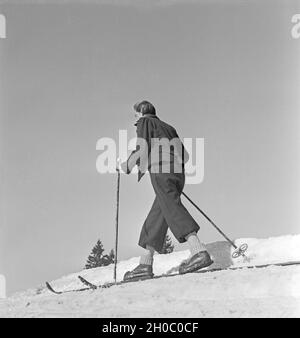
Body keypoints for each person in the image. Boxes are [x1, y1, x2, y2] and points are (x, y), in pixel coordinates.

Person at [119, 100, 213, 282]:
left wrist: (126, 166)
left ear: (141, 113)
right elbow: (184, 155)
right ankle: (145, 264)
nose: (135, 120)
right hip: (178, 173)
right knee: (159, 214)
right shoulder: (169, 127)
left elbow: (142, 148)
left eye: (135, 115)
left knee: (171, 208)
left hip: (161, 170)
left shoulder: (146, 122)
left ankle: (198, 251)